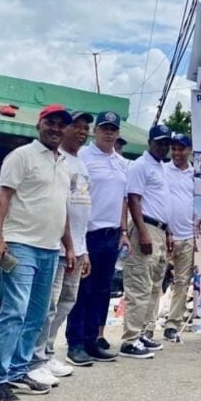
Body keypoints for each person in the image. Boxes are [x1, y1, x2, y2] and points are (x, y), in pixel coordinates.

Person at [0, 105, 76, 401]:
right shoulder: (21, 156)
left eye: (62, 125)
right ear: (40, 124)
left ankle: (18, 370)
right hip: (20, 244)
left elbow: (62, 210)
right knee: (15, 311)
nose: (56, 128)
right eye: (51, 122)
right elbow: (3, 198)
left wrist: (69, 247)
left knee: (37, 315)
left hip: (50, 249)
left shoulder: (64, 164)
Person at [28, 111, 94, 386]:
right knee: (48, 304)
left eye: (84, 128)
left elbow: (82, 210)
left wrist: (83, 248)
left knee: (67, 302)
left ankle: (48, 352)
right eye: (75, 126)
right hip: (57, 245)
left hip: (78, 245)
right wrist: (68, 244)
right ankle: (35, 358)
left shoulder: (82, 163)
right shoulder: (57, 161)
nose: (80, 132)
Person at [66, 111, 129, 365]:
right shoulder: (83, 157)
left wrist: (124, 231)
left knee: (103, 290)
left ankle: (93, 339)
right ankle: (76, 343)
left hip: (111, 235)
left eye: (113, 129)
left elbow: (124, 200)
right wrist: (79, 241)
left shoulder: (121, 162)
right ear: (95, 131)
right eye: (104, 128)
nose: (109, 133)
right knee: (82, 291)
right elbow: (76, 199)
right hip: (88, 234)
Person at [120, 125, 174, 358]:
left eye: (166, 142)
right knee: (140, 286)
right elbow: (134, 199)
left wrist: (169, 232)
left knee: (154, 287)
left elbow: (163, 202)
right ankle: (129, 340)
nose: (163, 146)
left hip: (160, 230)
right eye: (159, 142)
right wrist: (141, 232)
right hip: (146, 227)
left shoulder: (161, 167)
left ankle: (142, 333)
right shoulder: (140, 165)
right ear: (149, 142)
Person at [163, 134, 195, 343]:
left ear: (189, 150)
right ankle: (145, 327)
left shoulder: (196, 173)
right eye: (174, 149)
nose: (177, 153)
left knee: (182, 282)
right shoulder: (163, 170)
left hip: (189, 236)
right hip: (164, 235)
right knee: (155, 281)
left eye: (181, 149)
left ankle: (172, 324)